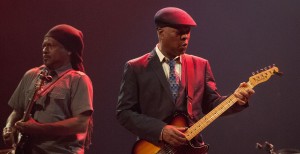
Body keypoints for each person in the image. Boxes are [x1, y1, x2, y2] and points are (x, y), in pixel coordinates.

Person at [116, 7, 255, 153]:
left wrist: (237, 99)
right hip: (154, 148)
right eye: (179, 32)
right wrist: (161, 130)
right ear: (160, 32)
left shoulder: (201, 65)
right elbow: (124, 113)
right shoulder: (136, 67)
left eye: (187, 32)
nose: (185, 37)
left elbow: (212, 105)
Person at [2, 24, 93, 154]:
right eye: (44, 46)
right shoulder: (31, 74)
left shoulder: (78, 80)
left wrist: (39, 129)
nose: (45, 50)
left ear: (69, 50)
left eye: (51, 46)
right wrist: (9, 127)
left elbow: (80, 124)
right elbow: (17, 111)